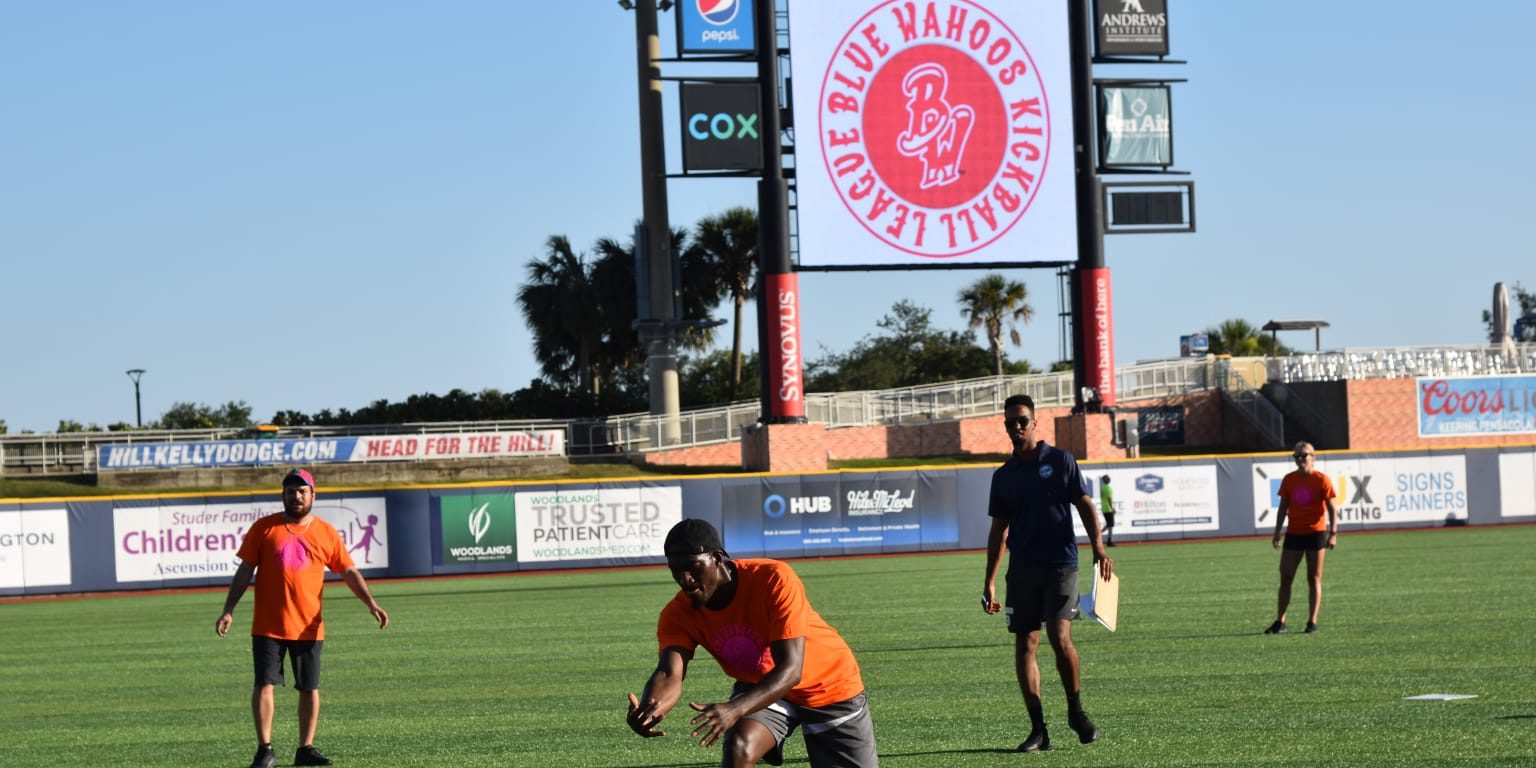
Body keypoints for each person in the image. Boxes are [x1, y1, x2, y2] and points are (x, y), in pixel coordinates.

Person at [625, 519, 878, 767]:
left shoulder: (772, 578)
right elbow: (669, 673)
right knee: (739, 745)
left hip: (828, 686)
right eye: (676, 570)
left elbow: (791, 671)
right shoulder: (678, 613)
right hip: (763, 685)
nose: (686, 579)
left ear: (717, 557)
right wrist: (649, 709)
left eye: (693, 567)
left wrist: (734, 709)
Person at [216, 469, 389, 768]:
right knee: (264, 684)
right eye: (290, 491)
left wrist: (371, 603)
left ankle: (305, 749)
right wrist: (229, 608)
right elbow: (245, 571)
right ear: (282, 495)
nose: (295, 496)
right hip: (269, 624)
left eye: (302, 491)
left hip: (309, 624)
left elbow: (348, 571)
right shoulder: (264, 528)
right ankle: (264, 749)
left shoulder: (325, 532)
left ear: (313, 495)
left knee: (309, 687)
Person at [982, 394, 1113, 753]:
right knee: (1026, 643)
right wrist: (989, 581)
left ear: (1035, 421)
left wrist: (1098, 547)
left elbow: (1084, 504)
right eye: (1011, 422)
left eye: (1022, 419)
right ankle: (1038, 730)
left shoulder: (1059, 460)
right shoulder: (1004, 476)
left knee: (1059, 637)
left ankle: (1076, 710)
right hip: (1022, 569)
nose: (1017, 426)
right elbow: (999, 531)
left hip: (1061, 565)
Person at [1265, 442, 1338, 635]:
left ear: (1312, 457)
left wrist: (1333, 534)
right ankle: (1280, 621)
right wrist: (1277, 533)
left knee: (1313, 577)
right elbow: (1282, 508)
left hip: (1316, 533)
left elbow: (1332, 508)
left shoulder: (1322, 480)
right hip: (1294, 533)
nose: (1300, 459)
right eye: (1296, 456)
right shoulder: (1289, 480)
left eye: (1303, 455)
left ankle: (1312, 621)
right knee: (1286, 576)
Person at [1098, 475, 1116, 547]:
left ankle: (1109, 540)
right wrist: (1112, 508)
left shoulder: (1102, 488)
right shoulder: (1108, 488)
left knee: (1109, 525)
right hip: (1108, 509)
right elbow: (1109, 499)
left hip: (1104, 508)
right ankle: (1101, 535)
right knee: (1110, 525)